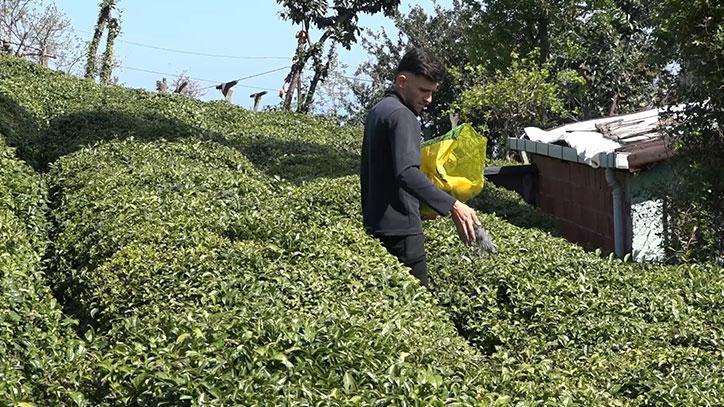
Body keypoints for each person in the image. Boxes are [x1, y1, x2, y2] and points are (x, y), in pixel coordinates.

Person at [360, 47, 481, 287]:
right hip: (402, 235)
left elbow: (387, 172)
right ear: (402, 81)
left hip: (376, 226)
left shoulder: (379, 110)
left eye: (432, 92)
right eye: (424, 91)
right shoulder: (403, 116)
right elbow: (406, 172)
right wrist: (453, 205)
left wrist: (421, 205)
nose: (429, 99)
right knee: (418, 299)